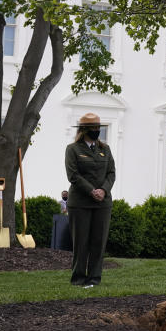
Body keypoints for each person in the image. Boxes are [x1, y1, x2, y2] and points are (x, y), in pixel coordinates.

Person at [64, 113, 115, 288]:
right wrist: (91, 191)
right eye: (93, 128)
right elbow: (73, 175)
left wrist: (103, 190)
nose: (97, 131)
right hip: (80, 203)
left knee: (98, 243)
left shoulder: (105, 149)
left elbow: (111, 173)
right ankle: (78, 279)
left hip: (103, 203)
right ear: (84, 130)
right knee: (81, 243)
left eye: (98, 128)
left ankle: (94, 279)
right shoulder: (73, 149)